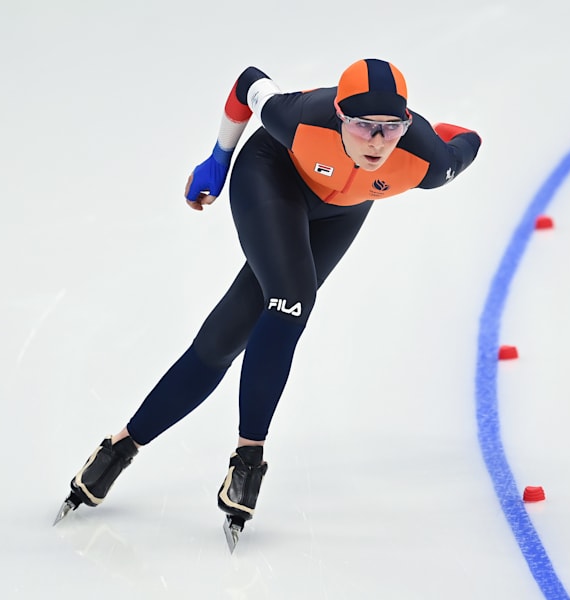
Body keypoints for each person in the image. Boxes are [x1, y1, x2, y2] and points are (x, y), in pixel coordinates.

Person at [55, 58, 482, 541]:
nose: (378, 142)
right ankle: (248, 457)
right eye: (364, 127)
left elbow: (466, 140)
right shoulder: (296, 117)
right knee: (291, 299)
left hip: (341, 212)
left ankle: (120, 446)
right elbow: (247, 81)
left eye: (391, 128)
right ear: (341, 116)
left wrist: (445, 132)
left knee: (226, 338)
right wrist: (218, 157)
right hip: (271, 176)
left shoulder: (429, 162)